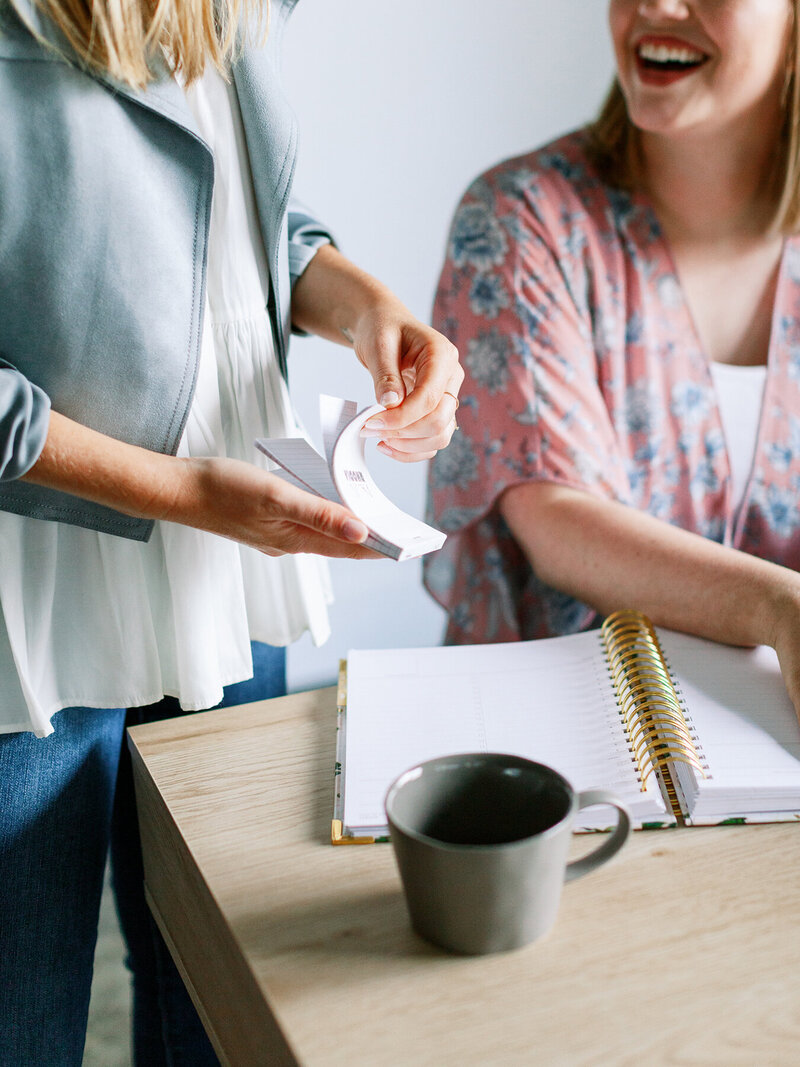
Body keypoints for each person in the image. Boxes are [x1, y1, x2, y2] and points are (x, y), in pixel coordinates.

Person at [0, 0, 462, 1061]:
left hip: (224, 562)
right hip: (32, 594)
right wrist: (181, 491)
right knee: (22, 1018)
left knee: (220, 994)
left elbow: (251, 228)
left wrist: (368, 309)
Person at [425, 0, 800, 718]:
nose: (656, 7)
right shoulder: (518, 216)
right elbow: (560, 518)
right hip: (565, 753)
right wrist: (782, 608)